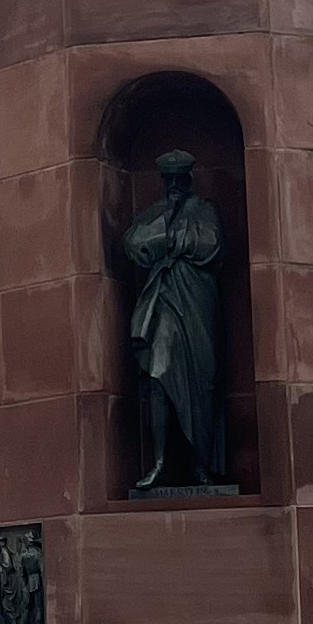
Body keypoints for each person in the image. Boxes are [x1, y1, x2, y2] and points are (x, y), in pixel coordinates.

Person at [124, 152, 227, 489]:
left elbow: (208, 244)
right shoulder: (157, 213)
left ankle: (201, 463)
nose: (173, 187)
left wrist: (167, 241)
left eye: (179, 181)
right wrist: (167, 222)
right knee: (157, 374)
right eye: (168, 181)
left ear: (189, 180)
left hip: (197, 303)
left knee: (202, 380)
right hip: (164, 300)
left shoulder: (205, 210)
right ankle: (159, 462)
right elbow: (134, 244)